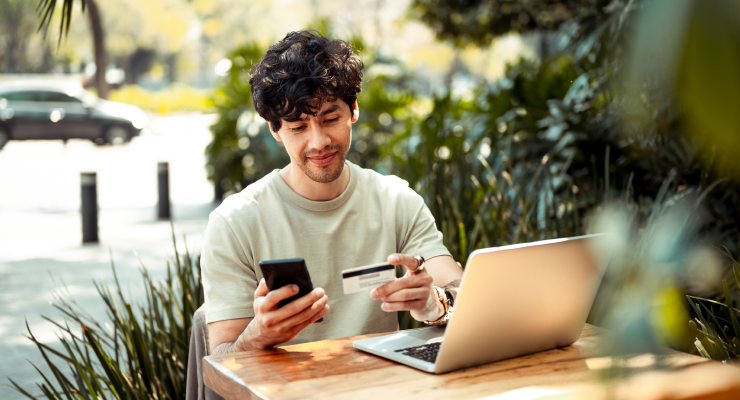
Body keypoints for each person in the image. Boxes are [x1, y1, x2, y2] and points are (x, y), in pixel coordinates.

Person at [204, 30, 463, 355]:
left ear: (353, 110)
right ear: (275, 130)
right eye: (298, 127)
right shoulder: (235, 222)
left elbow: (462, 292)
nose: (319, 142)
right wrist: (257, 335)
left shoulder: (396, 201)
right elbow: (220, 360)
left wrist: (436, 304)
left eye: (330, 118)